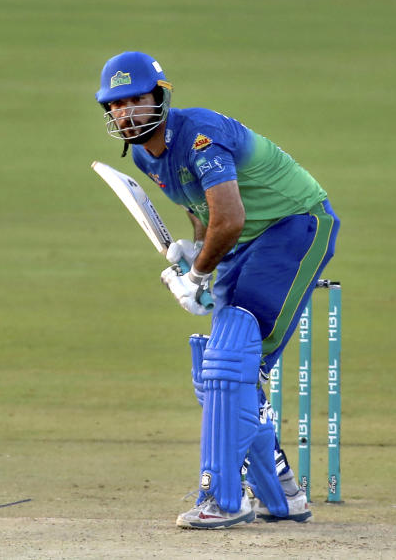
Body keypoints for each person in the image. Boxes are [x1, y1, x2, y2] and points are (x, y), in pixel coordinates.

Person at [95, 51, 339, 529]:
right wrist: (194, 248)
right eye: (116, 105)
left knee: (234, 360)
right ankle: (282, 493)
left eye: (136, 101)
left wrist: (198, 276)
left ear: (160, 97)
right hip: (243, 243)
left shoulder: (200, 136)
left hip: (295, 225)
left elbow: (230, 216)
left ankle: (226, 500)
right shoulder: (147, 154)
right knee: (219, 371)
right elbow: (204, 211)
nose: (126, 113)